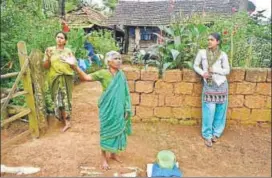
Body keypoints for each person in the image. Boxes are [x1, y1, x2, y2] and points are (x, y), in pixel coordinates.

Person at [61, 51, 132, 170]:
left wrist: (126, 107)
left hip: (119, 107)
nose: (119, 60)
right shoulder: (103, 73)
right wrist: (75, 66)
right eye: (115, 58)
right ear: (108, 62)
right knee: (106, 132)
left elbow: (125, 93)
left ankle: (113, 154)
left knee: (118, 130)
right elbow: (86, 77)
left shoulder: (121, 75)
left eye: (120, 58)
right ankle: (103, 157)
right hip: (107, 108)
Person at [193, 32, 230, 147]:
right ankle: (207, 135)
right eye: (208, 39)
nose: (209, 41)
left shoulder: (223, 54)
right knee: (209, 111)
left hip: (222, 85)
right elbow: (195, 65)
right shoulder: (202, 53)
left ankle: (216, 133)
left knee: (220, 111)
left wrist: (215, 70)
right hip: (209, 85)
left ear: (217, 42)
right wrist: (203, 73)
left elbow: (227, 70)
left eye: (212, 39)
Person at [43, 31, 75, 132]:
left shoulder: (68, 51)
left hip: (66, 77)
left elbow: (73, 65)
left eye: (62, 38)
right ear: (55, 38)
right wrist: (47, 57)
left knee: (66, 100)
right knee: (57, 99)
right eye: (58, 37)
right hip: (54, 78)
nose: (59, 39)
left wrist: (70, 61)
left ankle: (67, 122)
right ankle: (61, 118)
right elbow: (46, 66)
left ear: (65, 41)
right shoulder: (49, 50)